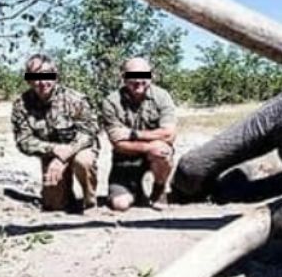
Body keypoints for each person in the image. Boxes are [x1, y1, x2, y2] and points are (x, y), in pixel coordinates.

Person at [11, 54, 100, 211]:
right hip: (50, 153)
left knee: (83, 162)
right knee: (54, 204)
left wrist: (64, 155)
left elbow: (89, 131)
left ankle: (90, 201)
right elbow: (23, 141)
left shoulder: (75, 99)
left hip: (79, 148)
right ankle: (65, 196)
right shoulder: (21, 105)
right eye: (36, 77)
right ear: (28, 80)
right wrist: (54, 150)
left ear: (55, 76)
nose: (42, 82)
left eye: (47, 76)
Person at [101, 57, 177, 210]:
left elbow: (169, 134)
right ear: (123, 77)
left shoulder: (162, 96)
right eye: (132, 75)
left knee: (162, 150)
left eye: (143, 75)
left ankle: (159, 189)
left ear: (151, 76)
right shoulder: (111, 102)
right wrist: (149, 146)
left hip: (155, 156)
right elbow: (118, 143)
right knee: (120, 205)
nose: (138, 80)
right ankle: (136, 191)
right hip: (125, 161)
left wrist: (133, 134)